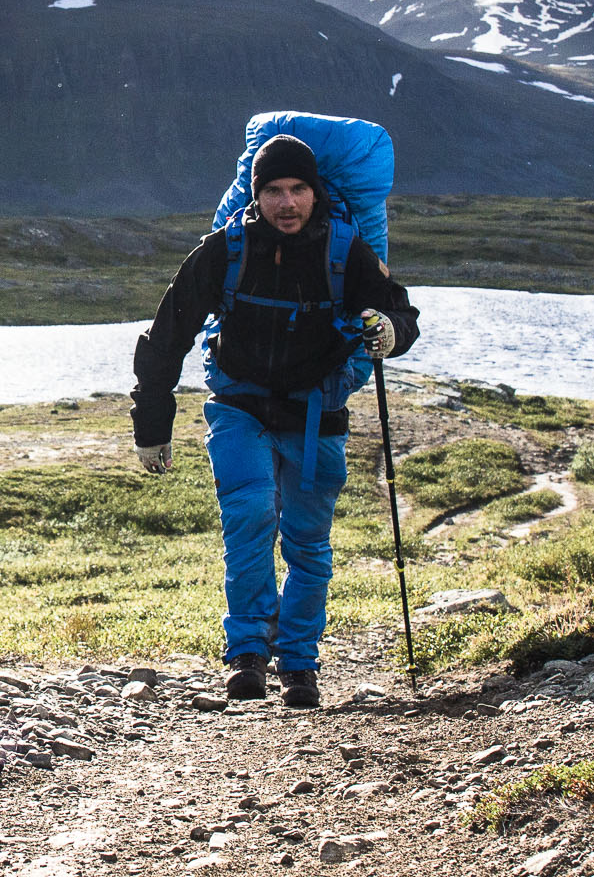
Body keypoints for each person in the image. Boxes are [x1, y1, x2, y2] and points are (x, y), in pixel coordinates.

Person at [129, 133, 419, 707]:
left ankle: (300, 664)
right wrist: (152, 426)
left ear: (315, 193)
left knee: (308, 545)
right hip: (239, 407)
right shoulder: (227, 250)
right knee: (251, 517)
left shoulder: (344, 250)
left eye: (298, 190)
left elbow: (399, 310)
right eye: (274, 191)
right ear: (256, 196)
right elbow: (167, 336)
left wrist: (391, 331)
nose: (287, 203)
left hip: (317, 415)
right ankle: (247, 657)